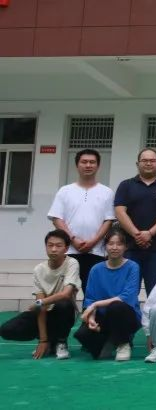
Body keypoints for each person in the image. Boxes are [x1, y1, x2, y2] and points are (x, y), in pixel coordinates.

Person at [0, 229, 80, 360]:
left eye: (58, 246)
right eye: (50, 245)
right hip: (44, 312)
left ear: (66, 248)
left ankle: (61, 342)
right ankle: (49, 340)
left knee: (63, 304)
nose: (53, 249)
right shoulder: (39, 269)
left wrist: (40, 302)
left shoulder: (72, 263)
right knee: (6, 330)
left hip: (64, 313)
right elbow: (41, 307)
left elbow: (66, 294)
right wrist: (43, 340)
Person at [47, 148, 115, 292]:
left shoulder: (107, 192)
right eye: (84, 162)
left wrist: (93, 241)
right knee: (64, 295)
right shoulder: (65, 191)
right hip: (68, 251)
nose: (88, 165)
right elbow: (57, 218)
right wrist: (73, 239)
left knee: (93, 293)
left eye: (92, 162)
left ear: (98, 166)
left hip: (96, 251)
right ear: (77, 165)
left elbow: (108, 221)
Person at [113, 148, 156, 295]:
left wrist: (150, 233)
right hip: (130, 248)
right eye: (145, 160)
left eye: (152, 160)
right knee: (127, 293)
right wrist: (137, 235)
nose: (148, 163)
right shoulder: (126, 185)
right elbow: (120, 212)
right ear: (137, 164)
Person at [74, 229, 141, 361]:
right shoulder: (96, 269)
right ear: (105, 246)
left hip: (126, 315)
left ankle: (124, 343)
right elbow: (90, 298)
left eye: (119, 244)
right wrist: (91, 319)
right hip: (103, 317)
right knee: (82, 334)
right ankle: (110, 340)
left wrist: (96, 304)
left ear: (125, 247)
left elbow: (126, 297)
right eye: (111, 244)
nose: (114, 247)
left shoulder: (133, 267)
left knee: (116, 307)